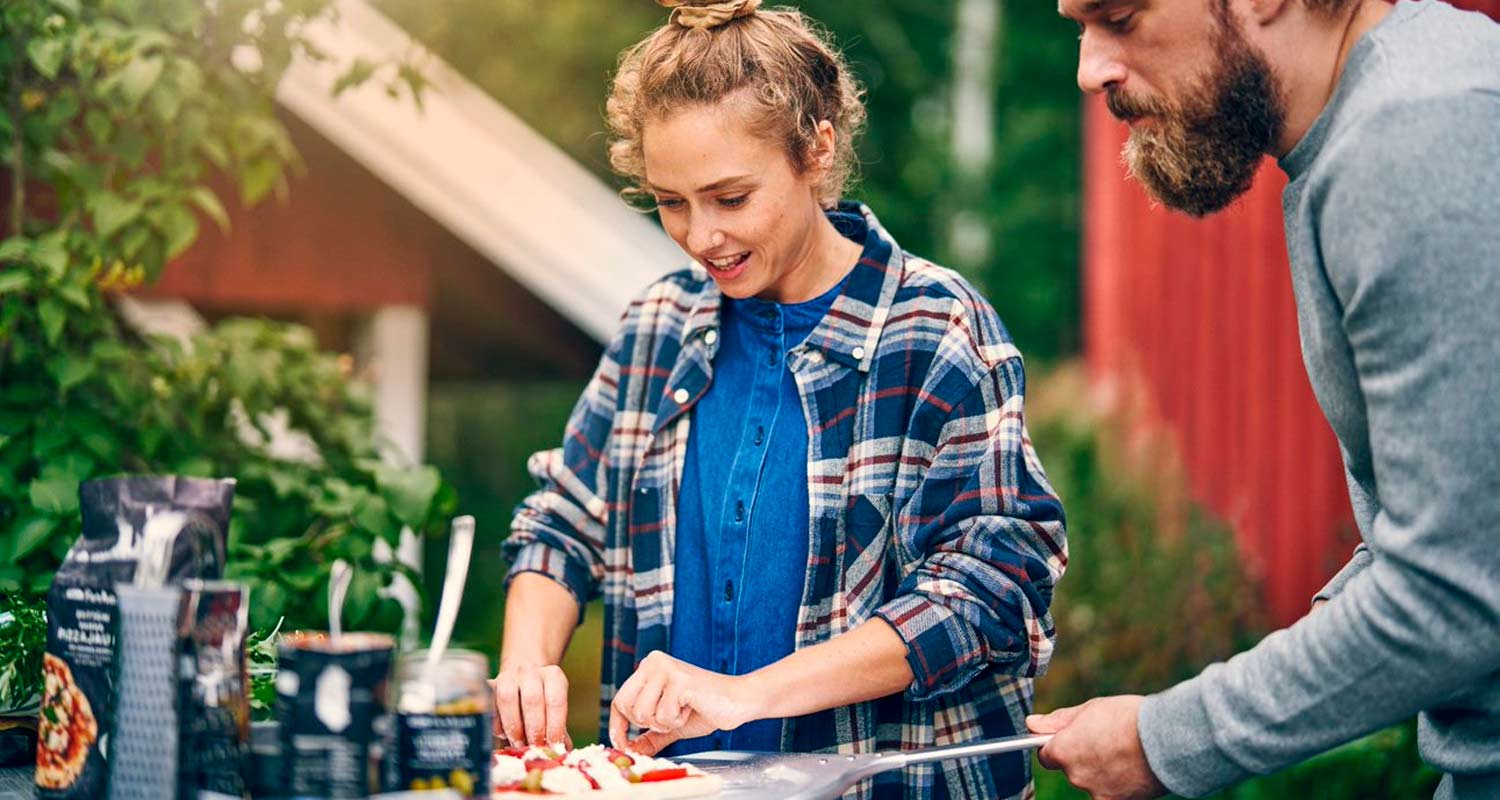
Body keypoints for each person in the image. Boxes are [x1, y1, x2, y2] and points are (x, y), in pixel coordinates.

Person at [490, 1, 1067, 797]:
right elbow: (562, 521)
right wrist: (526, 665)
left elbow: (990, 589)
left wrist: (746, 694)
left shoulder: (936, 330)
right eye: (671, 202)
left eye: (730, 199)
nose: (700, 237)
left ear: (816, 152)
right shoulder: (658, 327)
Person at [1034, 0, 1500, 797]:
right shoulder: (1383, 121)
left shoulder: (1416, 140)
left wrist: (1164, 741)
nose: (1089, 71)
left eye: (1121, 17)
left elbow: (1456, 593)